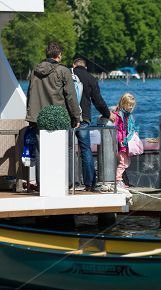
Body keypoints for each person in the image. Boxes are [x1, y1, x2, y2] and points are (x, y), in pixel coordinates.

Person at [26, 42, 81, 186]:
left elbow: (30, 93)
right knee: (66, 149)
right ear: (59, 55)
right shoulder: (64, 71)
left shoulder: (35, 71)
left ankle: (41, 183)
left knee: (40, 151)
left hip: (39, 117)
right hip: (60, 116)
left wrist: (30, 115)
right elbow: (70, 96)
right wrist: (76, 116)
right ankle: (67, 182)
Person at [72, 58, 116, 191]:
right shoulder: (91, 78)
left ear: (73, 65)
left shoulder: (67, 74)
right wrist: (108, 114)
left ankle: (68, 181)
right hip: (83, 118)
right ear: (85, 67)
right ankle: (89, 183)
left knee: (67, 149)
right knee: (85, 149)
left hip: (68, 117)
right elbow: (98, 101)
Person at [112, 93, 137, 189]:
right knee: (124, 162)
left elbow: (129, 129)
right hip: (120, 143)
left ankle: (121, 180)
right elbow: (117, 129)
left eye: (132, 105)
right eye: (129, 105)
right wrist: (120, 140)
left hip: (125, 143)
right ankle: (118, 180)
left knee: (126, 162)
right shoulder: (118, 115)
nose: (131, 107)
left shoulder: (128, 116)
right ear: (123, 103)